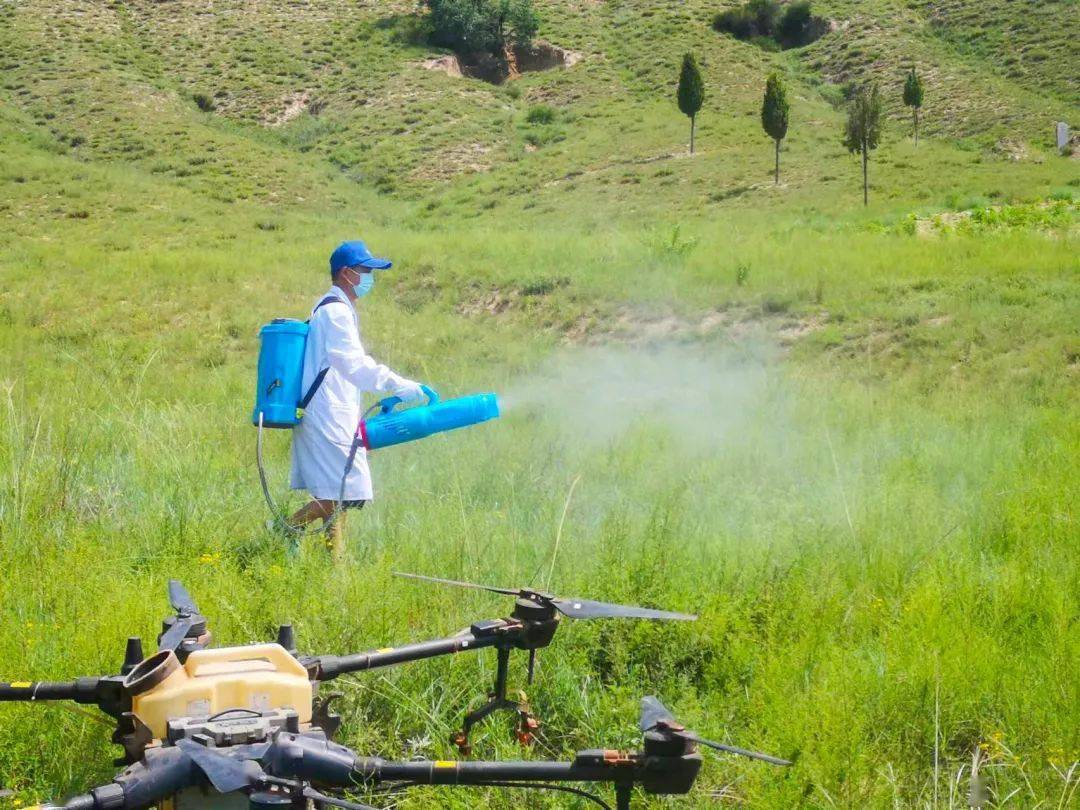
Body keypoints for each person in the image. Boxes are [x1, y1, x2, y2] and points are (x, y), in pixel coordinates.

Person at [285, 240, 425, 558]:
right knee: (346, 492)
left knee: (338, 490)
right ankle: (286, 527)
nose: (369, 277)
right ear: (346, 274)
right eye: (365, 270)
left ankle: (335, 566)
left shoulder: (335, 310)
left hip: (333, 413)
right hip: (326, 416)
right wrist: (400, 385)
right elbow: (354, 364)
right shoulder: (335, 313)